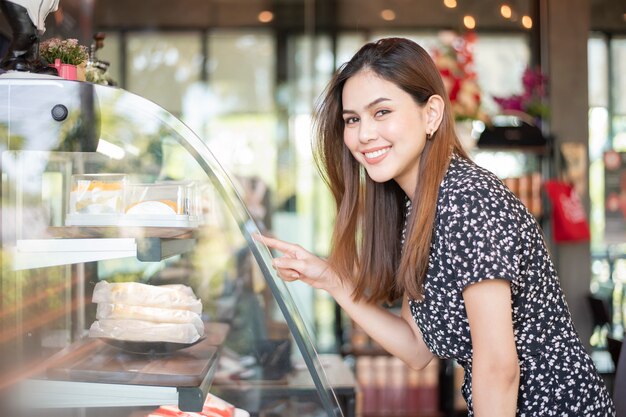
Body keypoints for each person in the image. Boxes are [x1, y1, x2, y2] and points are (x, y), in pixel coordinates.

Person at [254, 37, 615, 416]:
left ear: (431, 114)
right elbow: (415, 347)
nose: (363, 135)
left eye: (381, 113)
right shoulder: (421, 207)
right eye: (352, 119)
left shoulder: (467, 200)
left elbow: (498, 367)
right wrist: (330, 279)